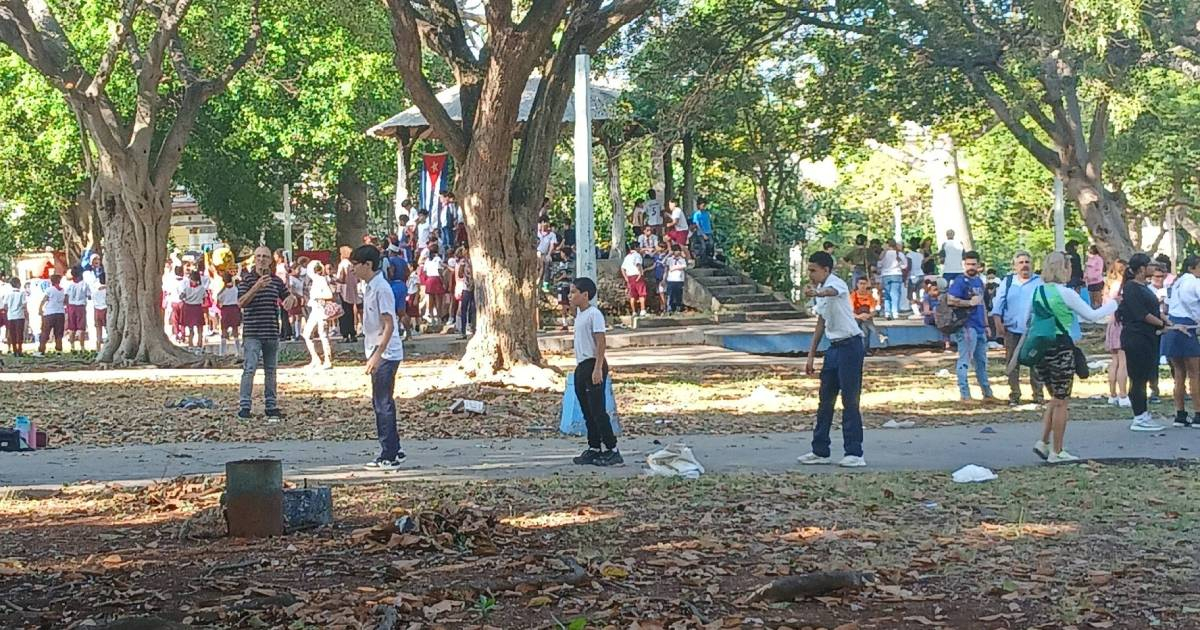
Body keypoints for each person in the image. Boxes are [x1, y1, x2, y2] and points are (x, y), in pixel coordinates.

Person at [1013, 252, 1118, 463]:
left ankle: (1043, 441)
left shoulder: (1037, 291)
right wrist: (1113, 304)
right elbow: (1092, 315)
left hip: (1041, 349)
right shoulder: (1065, 293)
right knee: (1062, 401)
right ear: (1064, 269)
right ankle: (1057, 451)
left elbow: (1025, 321)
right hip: (1061, 347)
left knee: (1054, 397)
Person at [798, 250, 867, 467]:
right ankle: (820, 450)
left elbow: (830, 291)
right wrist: (811, 355)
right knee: (825, 400)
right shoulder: (820, 290)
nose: (810, 274)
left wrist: (817, 294)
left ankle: (854, 452)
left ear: (826, 270)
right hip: (834, 348)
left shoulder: (837, 284)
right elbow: (821, 322)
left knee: (850, 399)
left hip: (851, 346)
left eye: (813, 270)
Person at [349, 245, 408, 470]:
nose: (353, 269)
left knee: (382, 404)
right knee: (380, 402)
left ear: (368, 265)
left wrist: (377, 355)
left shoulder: (381, 288)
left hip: (385, 352)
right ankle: (395, 447)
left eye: (356, 265)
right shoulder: (370, 286)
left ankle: (388, 454)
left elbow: (389, 324)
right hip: (377, 350)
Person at [237, 246, 297, 420]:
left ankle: (271, 405)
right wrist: (256, 286)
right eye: (258, 256)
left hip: (271, 331)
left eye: (265, 256)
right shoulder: (246, 280)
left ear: (271, 260)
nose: (261, 259)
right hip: (252, 332)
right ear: (254, 259)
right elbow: (241, 302)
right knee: (249, 369)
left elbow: (288, 295)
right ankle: (245, 406)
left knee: (271, 370)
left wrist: (290, 299)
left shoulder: (276, 281)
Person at [568, 277, 621, 466]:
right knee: (587, 410)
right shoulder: (579, 315)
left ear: (585, 295)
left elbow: (601, 341)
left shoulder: (594, 314)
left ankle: (612, 449)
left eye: (574, 292)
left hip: (593, 364)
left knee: (598, 410)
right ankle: (594, 447)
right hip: (581, 365)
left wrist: (598, 368)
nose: (570, 295)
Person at [1118, 253, 1168, 432]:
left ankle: (1144, 413)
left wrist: (1166, 320)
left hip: (1148, 338)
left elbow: (1153, 309)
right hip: (1136, 337)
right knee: (1137, 378)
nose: (1153, 268)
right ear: (1141, 269)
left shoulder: (1144, 287)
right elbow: (1142, 314)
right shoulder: (1131, 288)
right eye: (1149, 265)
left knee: (1146, 375)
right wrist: (1161, 323)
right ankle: (1139, 416)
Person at [991, 251, 1045, 406]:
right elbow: (998, 303)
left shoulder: (1040, 282)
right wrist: (997, 322)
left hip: (1034, 330)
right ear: (1015, 266)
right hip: (1012, 329)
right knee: (1012, 363)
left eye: (1027, 262)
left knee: (1036, 363)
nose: (1024, 265)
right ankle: (1015, 394)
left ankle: (1038, 395)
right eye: (1021, 263)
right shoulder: (1008, 282)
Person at [946, 251, 997, 402]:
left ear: (979, 266)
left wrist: (986, 324)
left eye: (973, 264)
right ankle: (965, 394)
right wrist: (968, 303)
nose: (971, 267)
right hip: (967, 326)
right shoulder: (960, 281)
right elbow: (951, 300)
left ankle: (987, 393)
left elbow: (982, 304)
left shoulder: (979, 282)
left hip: (980, 326)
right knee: (965, 360)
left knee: (981, 361)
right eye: (968, 264)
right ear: (963, 264)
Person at [1162, 254, 1200, 428]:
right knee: (1195, 374)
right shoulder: (1194, 282)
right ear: (1192, 267)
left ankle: (1180, 413)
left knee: (1178, 374)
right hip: (1188, 326)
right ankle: (1198, 414)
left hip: (1173, 326)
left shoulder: (1175, 282)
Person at [1104, 259, 1130, 407]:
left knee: (1114, 361)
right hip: (1121, 323)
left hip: (1111, 323)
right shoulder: (1123, 287)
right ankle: (1123, 394)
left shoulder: (1110, 286)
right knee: (1123, 361)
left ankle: (1112, 394)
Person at [303, 260, 334, 369]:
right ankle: (315, 359)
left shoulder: (321, 280)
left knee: (323, 335)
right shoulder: (315, 281)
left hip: (321, 310)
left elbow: (329, 294)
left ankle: (328, 360)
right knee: (306, 334)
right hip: (315, 311)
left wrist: (318, 297)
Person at [335, 245, 361, 343]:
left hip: (343, 291)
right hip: (351, 290)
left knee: (343, 313)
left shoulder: (342, 264)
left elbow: (341, 278)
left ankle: (345, 334)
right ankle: (352, 333)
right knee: (350, 312)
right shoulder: (351, 264)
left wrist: (334, 280)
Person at [851, 276, 883, 351]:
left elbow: (873, 311)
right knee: (864, 326)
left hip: (866, 317)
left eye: (864, 284)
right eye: (861, 283)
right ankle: (878, 334)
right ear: (857, 284)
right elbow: (850, 311)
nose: (862, 286)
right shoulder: (853, 296)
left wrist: (867, 315)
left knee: (865, 327)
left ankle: (865, 349)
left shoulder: (869, 296)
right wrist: (859, 316)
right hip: (855, 318)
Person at [36, 274, 66, 356]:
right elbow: (65, 301)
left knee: (45, 332)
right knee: (59, 333)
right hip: (60, 312)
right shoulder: (62, 290)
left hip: (49, 313)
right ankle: (59, 350)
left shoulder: (49, 290)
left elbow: (44, 300)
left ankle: (41, 350)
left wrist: (40, 309)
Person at [877, 240, 907, 320]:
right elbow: (905, 266)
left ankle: (887, 312)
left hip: (885, 275)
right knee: (895, 293)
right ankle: (895, 312)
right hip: (896, 274)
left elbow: (879, 264)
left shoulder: (883, 254)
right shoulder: (899, 254)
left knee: (887, 294)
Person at [64, 266, 90, 353]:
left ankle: (72, 347)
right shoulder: (84, 284)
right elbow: (89, 295)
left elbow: (66, 297)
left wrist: (67, 307)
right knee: (81, 328)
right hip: (81, 306)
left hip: (71, 306)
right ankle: (82, 347)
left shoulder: (69, 285)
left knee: (72, 328)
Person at [921, 278, 951, 352]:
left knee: (944, 320)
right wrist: (935, 312)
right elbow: (926, 311)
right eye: (935, 290)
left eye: (937, 289)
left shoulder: (943, 296)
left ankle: (947, 343)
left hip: (941, 317)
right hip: (931, 317)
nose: (937, 291)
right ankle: (947, 343)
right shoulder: (927, 298)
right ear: (929, 290)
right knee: (942, 320)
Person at [217, 272, 242, 358]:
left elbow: (219, 300)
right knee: (235, 331)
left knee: (224, 330)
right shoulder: (236, 289)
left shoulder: (222, 291)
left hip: (226, 309)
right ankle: (238, 351)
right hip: (234, 309)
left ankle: (222, 352)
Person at [180, 271, 206, 350]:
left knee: (191, 328)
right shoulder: (202, 288)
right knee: (199, 328)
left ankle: (190, 345)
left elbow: (181, 297)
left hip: (188, 307)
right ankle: (199, 344)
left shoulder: (186, 288)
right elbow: (204, 298)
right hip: (197, 307)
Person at [454, 247, 475, 338]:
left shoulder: (472, 261)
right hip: (467, 287)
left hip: (471, 287)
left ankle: (470, 328)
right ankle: (464, 330)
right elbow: (460, 274)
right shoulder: (464, 262)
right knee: (465, 308)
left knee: (471, 308)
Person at [621, 244, 647, 317]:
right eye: (639, 247)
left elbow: (622, 268)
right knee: (642, 294)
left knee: (632, 295)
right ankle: (642, 310)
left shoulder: (627, 256)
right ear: (636, 247)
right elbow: (638, 264)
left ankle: (634, 312)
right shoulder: (637, 255)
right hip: (636, 275)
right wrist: (640, 273)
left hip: (629, 277)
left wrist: (626, 278)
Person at [4, 277, 27, 356]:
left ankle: (14, 350)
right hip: (20, 315)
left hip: (11, 316)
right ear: (18, 284)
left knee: (12, 333)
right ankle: (20, 349)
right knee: (20, 333)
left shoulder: (8, 293)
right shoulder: (22, 293)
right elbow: (24, 305)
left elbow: (5, 305)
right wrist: (27, 314)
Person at [664, 246, 687, 314]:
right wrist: (664, 278)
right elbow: (665, 266)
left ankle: (678, 307)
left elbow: (684, 266)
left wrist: (674, 268)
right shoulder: (669, 259)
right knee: (670, 294)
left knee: (678, 294)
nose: (678, 252)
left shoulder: (682, 260)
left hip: (679, 279)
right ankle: (669, 308)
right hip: (671, 279)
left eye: (679, 250)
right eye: (676, 250)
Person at [906, 238, 925, 318]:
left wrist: (906, 277)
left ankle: (915, 311)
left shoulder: (908, 255)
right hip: (920, 274)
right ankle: (920, 309)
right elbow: (922, 265)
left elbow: (909, 267)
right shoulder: (920, 255)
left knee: (911, 295)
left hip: (912, 276)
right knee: (919, 294)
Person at [92, 279, 107, 352]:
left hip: (97, 310)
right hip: (105, 309)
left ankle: (98, 347)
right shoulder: (107, 290)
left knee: (98, 330)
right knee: (108, 329)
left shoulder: (95, 290)